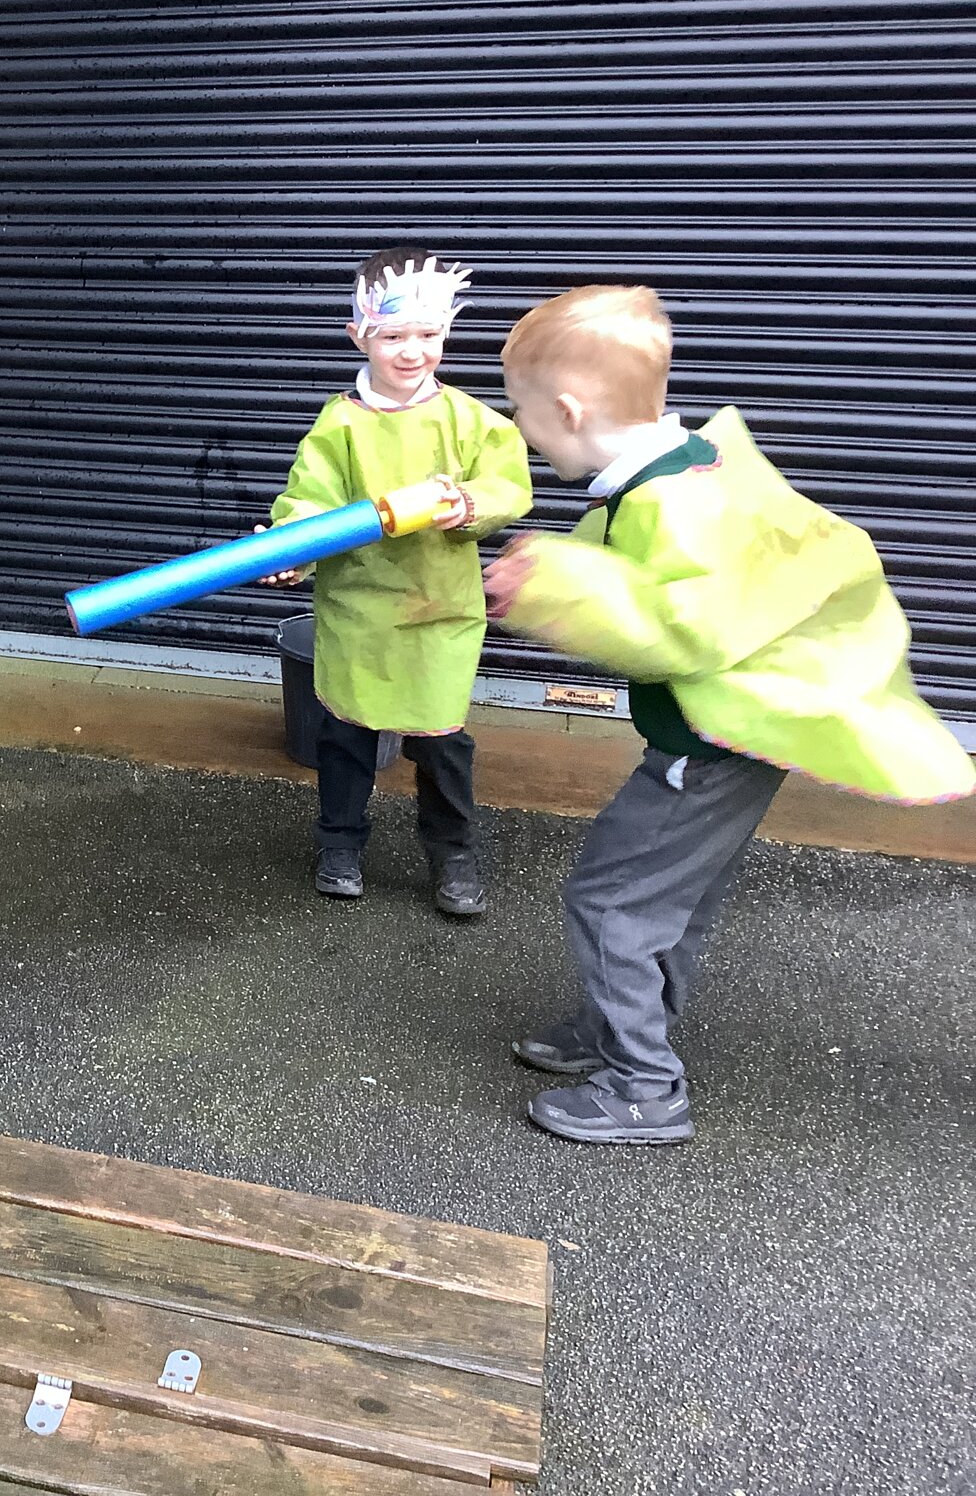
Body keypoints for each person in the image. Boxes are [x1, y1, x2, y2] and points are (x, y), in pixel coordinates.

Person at [486, 284, 975, 1145]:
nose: (520, 430)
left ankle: (643, 1083)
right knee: (672, 900)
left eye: (522, 414)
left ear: (568, 408)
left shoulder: (678, 503)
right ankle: (620, 1034)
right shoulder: (687, 466)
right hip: (738, 740)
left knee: (610, 902)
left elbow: (684, 627)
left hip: (706, 748)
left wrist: (556, 585)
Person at [265, 248, 533, 914]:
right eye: (393, 335)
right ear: (360, 335)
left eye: (429, 334)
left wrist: (470, 503)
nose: (413, 351)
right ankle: (339, 843)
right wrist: (292, 548)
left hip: (438, 610)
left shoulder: (472, 422)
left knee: (442, 744)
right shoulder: (341, 425)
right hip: (359, 611)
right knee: (346, 736)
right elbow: (309, 499)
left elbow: (508, 485)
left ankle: (454, 857)